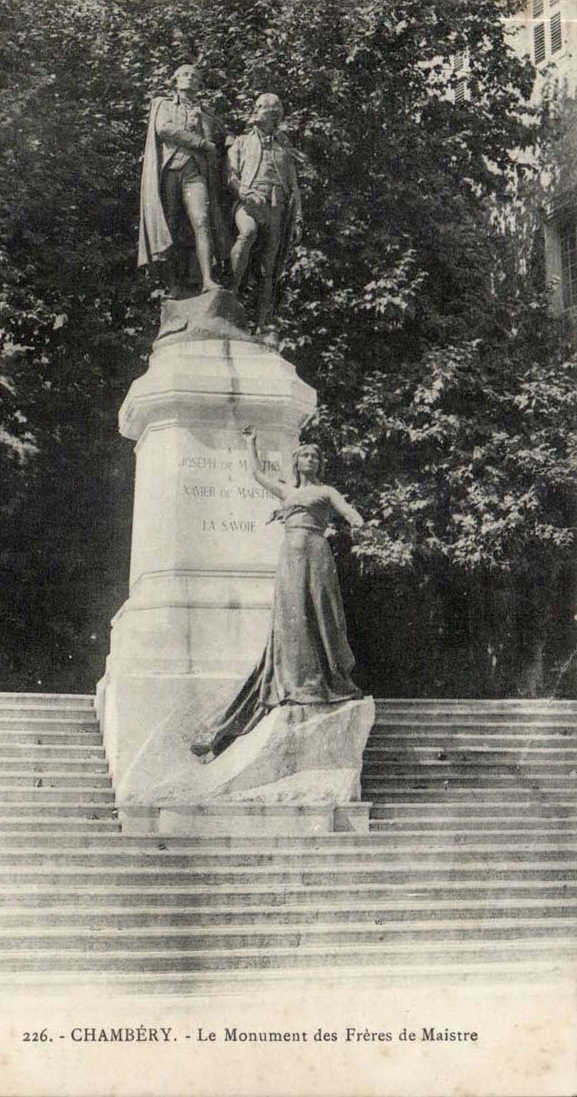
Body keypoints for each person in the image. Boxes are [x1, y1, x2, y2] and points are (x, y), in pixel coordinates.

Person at [191, 427, 363, 762]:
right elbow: (256, 474)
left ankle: (322, 678)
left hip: (316, 551)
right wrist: (251, 443)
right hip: (290, 555)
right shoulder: (285, 491)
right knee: (292, 618)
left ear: (319, 463)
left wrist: (359, 522)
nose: (309, 459)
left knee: (320, 613)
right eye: (304, 455)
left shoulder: (326, 491)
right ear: (296, 462)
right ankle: (296, 680)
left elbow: (348, 512)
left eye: (314, 456)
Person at [138, 64, 230, 297]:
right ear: (176, 80)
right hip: (170, 170)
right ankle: (174, 285)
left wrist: (231, 140)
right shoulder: (164, 105)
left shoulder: (207, 114)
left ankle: (208, 280)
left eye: (195, 76)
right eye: (185, 75)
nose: (190, 78)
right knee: (170, 226)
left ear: (199, 85)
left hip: (195, 173)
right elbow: (165, 129)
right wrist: (199, 143)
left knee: (201, 219)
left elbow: (224, 135)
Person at [227, 94, 303, 344]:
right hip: (249, 202)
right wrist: (245, 192)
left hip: (277, 206)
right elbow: (231, 176)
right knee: (246, 234)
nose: (267, 115)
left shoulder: (284, 148)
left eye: (272, 112)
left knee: (269, 269)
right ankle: (228, 300)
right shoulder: (241, 142)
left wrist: (298, 216)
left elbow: (293, 185)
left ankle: (262, 322)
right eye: (262, 110)